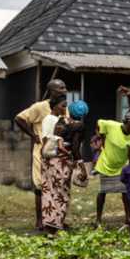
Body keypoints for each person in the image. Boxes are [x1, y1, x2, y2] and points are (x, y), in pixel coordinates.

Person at [14, 78, 67, 230]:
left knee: (57, 186)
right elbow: (19, 118)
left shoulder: (64, 106)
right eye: (61, 88)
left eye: (65, 88)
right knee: (40, 186)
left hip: (59, 152)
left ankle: (55, 219)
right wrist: (32, 135)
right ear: (52, 91)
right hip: (42, 152)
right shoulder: (39, 107)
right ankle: (40, 220)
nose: (64, 90)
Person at [93, 113, 130, 226]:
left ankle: (128, 218)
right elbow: (99, 122)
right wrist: (101, 137)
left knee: (125, 192)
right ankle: (98, 219)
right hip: (106, 164)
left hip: (122, 167)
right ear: (124, 124)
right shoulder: (112, 126)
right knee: (102, 192)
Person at [39, 95, 73, 233]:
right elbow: (52, 140)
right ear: (54, 106)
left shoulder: (54, 119)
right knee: (58, 192)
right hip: (56, 160)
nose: (65, 108)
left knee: (53, 191)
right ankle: (52, 225)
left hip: (52, 159)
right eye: (63, 105)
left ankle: (54, 223)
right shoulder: (52, 120)